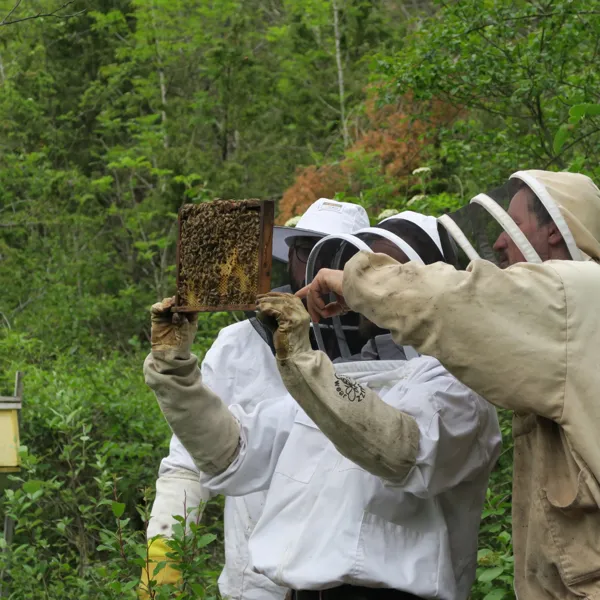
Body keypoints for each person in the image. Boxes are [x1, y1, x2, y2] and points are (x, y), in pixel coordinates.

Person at [145, 212, 501, 600]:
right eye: (360, 268)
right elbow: (230, 454)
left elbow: (399, 450)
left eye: (384, 271)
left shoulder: (459, 385)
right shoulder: (343, 379)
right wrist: (173, 367)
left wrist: (302, 362)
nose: (365, 283)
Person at [299, 170, 600, 600]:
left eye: (512, 227)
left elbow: (452, 302)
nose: (497, 244)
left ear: (554, 230)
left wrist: (357, 282)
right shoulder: (565, 321)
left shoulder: (576, 296)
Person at [140, 199, 370, 600]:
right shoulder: (240, 345)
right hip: (258, 584)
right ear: (290, 257)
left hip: (358, 579)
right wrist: (164, 561)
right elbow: (188, 464)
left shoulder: (389, 347)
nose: (320, 269)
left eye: (339, 254)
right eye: (307, 251)